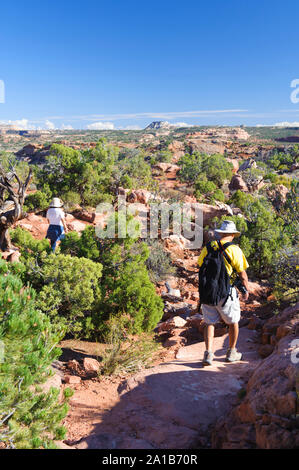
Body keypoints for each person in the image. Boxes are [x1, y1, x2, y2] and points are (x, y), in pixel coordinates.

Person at [198, 220, 250, 366]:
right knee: (233, 322)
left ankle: (208, 354)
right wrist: (245, 290)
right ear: (232, 234)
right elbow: (242, 273)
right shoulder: (235, 250)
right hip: (226, 292)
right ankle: (232, 352)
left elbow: (200, 265)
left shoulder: (208, 247)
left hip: (208, 291)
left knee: (209, 322)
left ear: (221, 233)